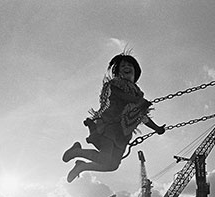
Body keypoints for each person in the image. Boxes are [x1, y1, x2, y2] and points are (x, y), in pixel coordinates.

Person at [62, 53, 165, 182]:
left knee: (112, 165)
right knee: (104, 158)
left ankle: (82, 166)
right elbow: (122, 96)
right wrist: (140, 101)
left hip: (123, 133)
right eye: (123, 65)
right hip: (110, 126)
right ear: (117, 71)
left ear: (136, 70)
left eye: (129, 65)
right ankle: (77, 151)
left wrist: (157, 128)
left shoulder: (138, 93)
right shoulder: (115, 84)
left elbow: (142, 116)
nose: (126, 66)